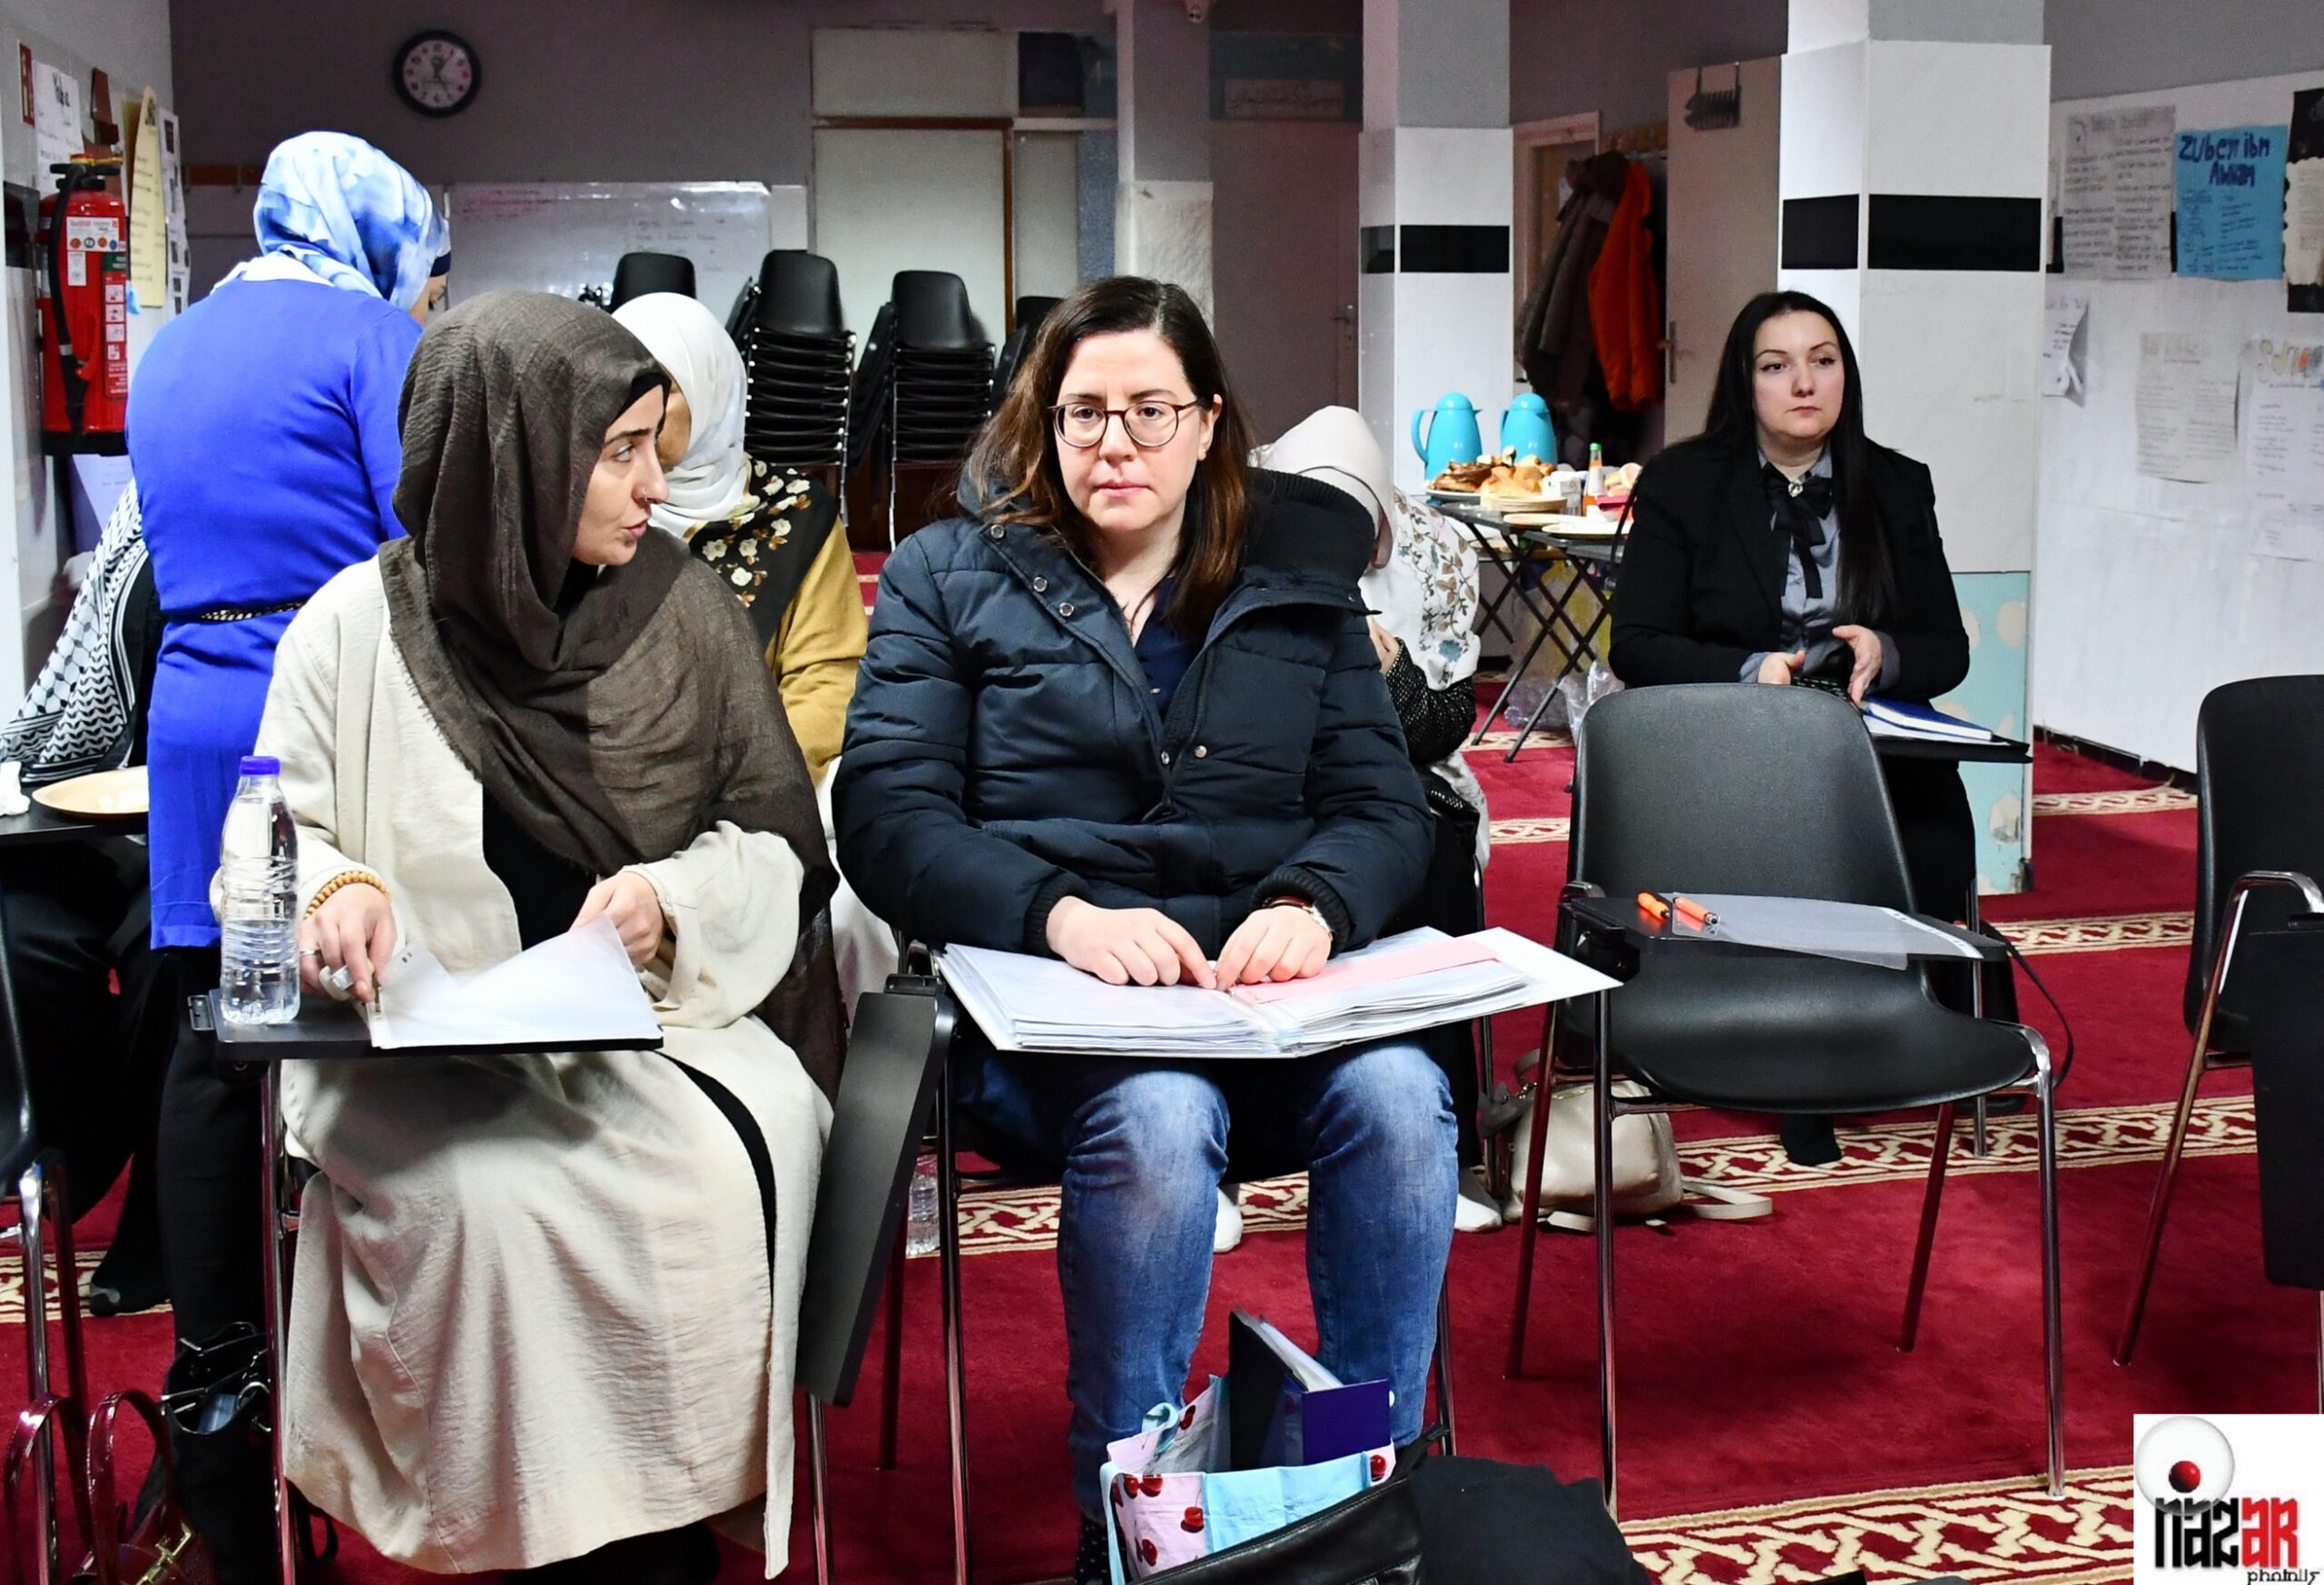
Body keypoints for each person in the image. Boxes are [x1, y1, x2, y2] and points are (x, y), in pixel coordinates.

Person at [835, 277, 1452, 1585]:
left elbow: (1384, 806)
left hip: (1260, 1002)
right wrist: (1054, 913)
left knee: (1403, 1097)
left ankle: (1366, 1486)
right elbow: (886, 815)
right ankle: (1126, 1522)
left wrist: (1314, 902)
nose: (1113, 444)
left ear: (1209, 421)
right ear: (1043, 421)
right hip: (1053, 1023)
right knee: (1162, 1117)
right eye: (1084, 413)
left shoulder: (1297, 577)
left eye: (1149, 411)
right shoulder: (951, 570)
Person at [263, 291, 841, 1582]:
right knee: (488, 1207)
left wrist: (670, 902)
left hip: (654, 1027)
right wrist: (340, 890)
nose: (658, 485)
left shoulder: (679, 611)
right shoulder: (352, 631)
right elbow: (284, 833)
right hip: (420, 1047)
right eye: (618, 451)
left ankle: (666, 1527)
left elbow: (775, 841)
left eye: (655, 446)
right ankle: (529, 1532)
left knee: (714, 1182)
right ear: (509, 452)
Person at [124, 130, 448, 1576]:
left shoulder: (170, 349)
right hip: (328, 701)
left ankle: (217, 1399)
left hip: (194, 714)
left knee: (212, 1035)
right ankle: (372, 1368)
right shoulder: (373, 339)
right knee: (359, 1001)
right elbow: (423, 537)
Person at [1608, 289, 1972, 1165]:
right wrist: (1752, 671)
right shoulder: (1684, 485)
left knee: (1928, 818)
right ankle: (1793, 1055)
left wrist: (1884, 651)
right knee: (1791, 832)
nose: (1804, 383)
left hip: (1861, 742)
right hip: (1730, 739)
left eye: (1823, 361)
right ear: (1747, 382)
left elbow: (1949, 648)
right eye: (1777, 366)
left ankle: (1921, 1032)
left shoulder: (1897, 484)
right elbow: (1638, 644)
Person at [1257, 406, 1502, 1235]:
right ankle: (1226, 1160)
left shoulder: (1438, 551)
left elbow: (1443, 726)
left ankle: (1449, 1148)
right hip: (1260, 775)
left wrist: (1381, 674)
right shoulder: (1228, 527)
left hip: (1400, 771)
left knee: (1433, 847)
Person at [0, 482, 172, 1314]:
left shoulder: (310, 522)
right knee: (19, 924)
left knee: (167, 946)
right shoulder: (143, 506)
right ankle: (82, 1141)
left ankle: (162, 1217)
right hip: (99, 804)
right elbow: (81, 684)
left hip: (218, 817)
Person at [609, 292, 868, 782]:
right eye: (618, 388)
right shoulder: (587, 511)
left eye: (661, 388)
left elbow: (827, 680)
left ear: (710, 390)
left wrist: (752, 784)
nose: (635, 410)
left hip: (754, 777)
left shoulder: (794, 513)